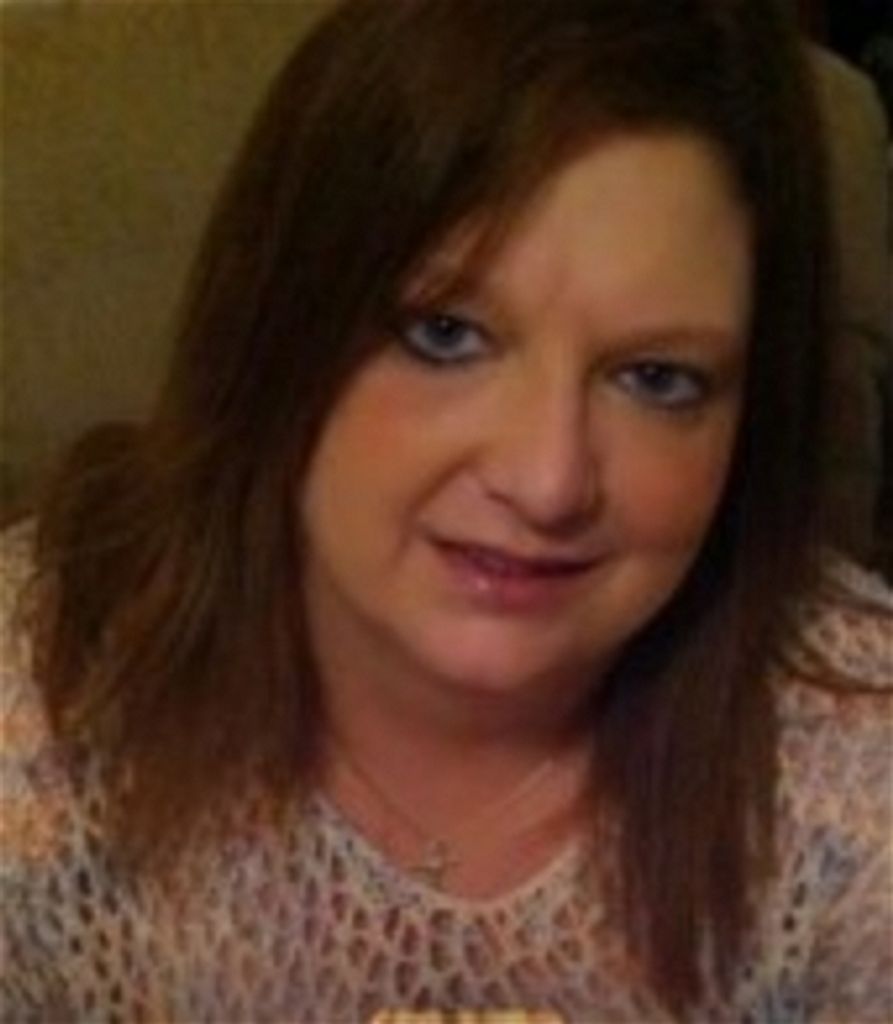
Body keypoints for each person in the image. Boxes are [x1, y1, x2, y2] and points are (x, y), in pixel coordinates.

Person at [1, 0, 891, 1020]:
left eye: (655, 378)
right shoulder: (37, 716)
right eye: (445, 335)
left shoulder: (855, 771)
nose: (547, 481)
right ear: (277, 327)